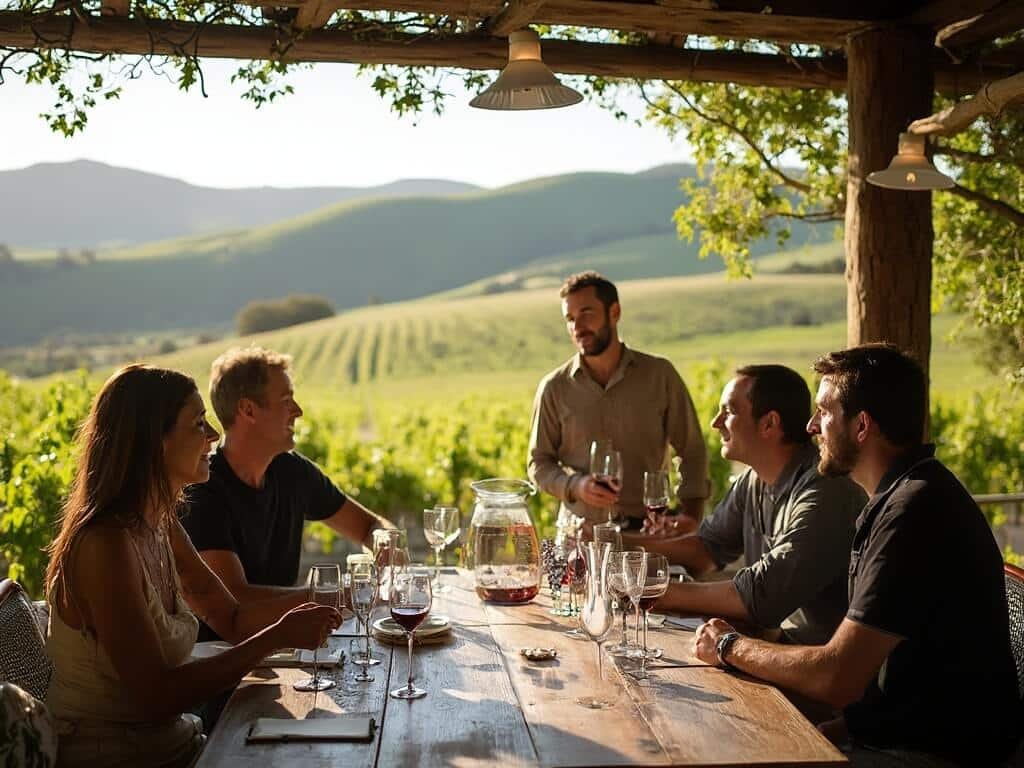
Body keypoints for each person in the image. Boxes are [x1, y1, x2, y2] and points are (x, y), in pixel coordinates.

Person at [693, 344, 1022, 767]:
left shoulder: (913, 512)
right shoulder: (897, 497)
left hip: (939, 754)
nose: (811, 426)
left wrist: (728, 645)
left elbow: (837, 677)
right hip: (893, 734)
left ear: (862, 425)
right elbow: (887, 684)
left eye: (824, 412)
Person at [45, 365, 340, 768]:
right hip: (117, 757)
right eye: (199, 424)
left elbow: (232, 617)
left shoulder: (160, 523)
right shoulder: (105, 546)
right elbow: (156, 695)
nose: (214, 436)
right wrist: (275, 638)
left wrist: (329, 598)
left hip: (176, 743)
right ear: (154, 442)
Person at [182, 347, 391, 640]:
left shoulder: (290, 471)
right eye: (286, 400)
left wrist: (389, 551)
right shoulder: (203, 492)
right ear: (248, 410)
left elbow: (371, 526)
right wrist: (329, 595)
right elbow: (232, 601)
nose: (298, 410)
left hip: (284, 648)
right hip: (224, 660)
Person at [649, 365, 864, 645]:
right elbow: (707, 548)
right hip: (778, 647)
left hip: (815, 668)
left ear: (769, 424)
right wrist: (620, 549)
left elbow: (762, 596)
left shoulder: (826, 489)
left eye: (730, 411)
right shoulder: (753, 480)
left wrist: (657, 591)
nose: (716, 422)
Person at [528, 271, 709, 533]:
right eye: (570, 318)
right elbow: (539, 463)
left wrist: (691, 518)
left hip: (649, 532)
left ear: (614, 312)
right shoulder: (554, 388)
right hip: (580, 535)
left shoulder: (659, 375)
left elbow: (692, 450)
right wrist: (576, 486)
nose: (577, 326)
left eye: (586, 313)